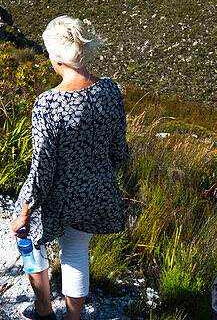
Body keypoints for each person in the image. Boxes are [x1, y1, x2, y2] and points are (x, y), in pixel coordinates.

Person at [10, 16, 130, 320]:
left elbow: (42, 166)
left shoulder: (48, 104)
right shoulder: (111, 92)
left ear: (58, 57)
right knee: (76, 254)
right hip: (97, 191)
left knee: (28, 237)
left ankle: (44, 310)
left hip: (56, 194)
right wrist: (98, 176)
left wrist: (25, 211)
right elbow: (119, 151)